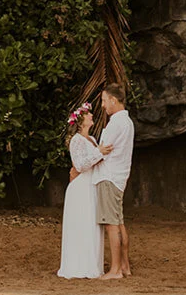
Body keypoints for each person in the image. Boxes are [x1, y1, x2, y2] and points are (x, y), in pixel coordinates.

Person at [56, 102, 105, 278]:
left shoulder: (92, 139)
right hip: (80, 187)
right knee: (80, 224)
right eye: (89, 114)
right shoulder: (76, 140)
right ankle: (77, 266)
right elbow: (80, 164)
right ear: (82, 121)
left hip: (91, 185)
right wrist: (99, 153)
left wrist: (99, 153)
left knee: (91, 224)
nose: (92, 116)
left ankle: (91, 264)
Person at [95, 82, 134, 279]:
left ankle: (116, 269)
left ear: (113, 100)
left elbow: (102, 150)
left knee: (111, 224)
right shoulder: (127, 122)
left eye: (103, 100)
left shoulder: (115, 124)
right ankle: (125, 266)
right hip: (120, 177)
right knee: (119, 223)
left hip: (109, 176)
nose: (102, 105)